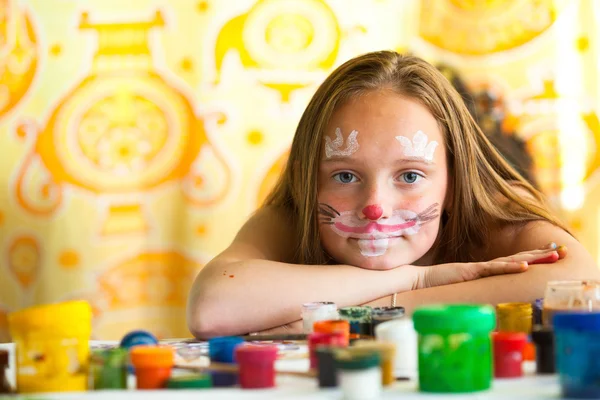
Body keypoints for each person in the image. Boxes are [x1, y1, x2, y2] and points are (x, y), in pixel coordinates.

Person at [187, 51, 599, 338]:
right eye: (345, 176)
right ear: (308, 182)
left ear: (455, 183)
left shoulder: (493, 211)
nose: (375, 207)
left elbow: (585, 282)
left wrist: (370, 313)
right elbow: (212, 307)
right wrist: (418, 277)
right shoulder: (294, 216)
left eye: (410, 175)